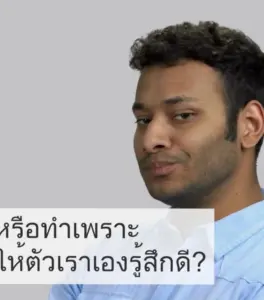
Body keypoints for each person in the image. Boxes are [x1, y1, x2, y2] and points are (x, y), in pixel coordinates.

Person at [49, 21, 264, 299]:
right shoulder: (101, 260)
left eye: (183, 115)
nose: (151, 140)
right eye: (143, 120)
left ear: (250, 125)